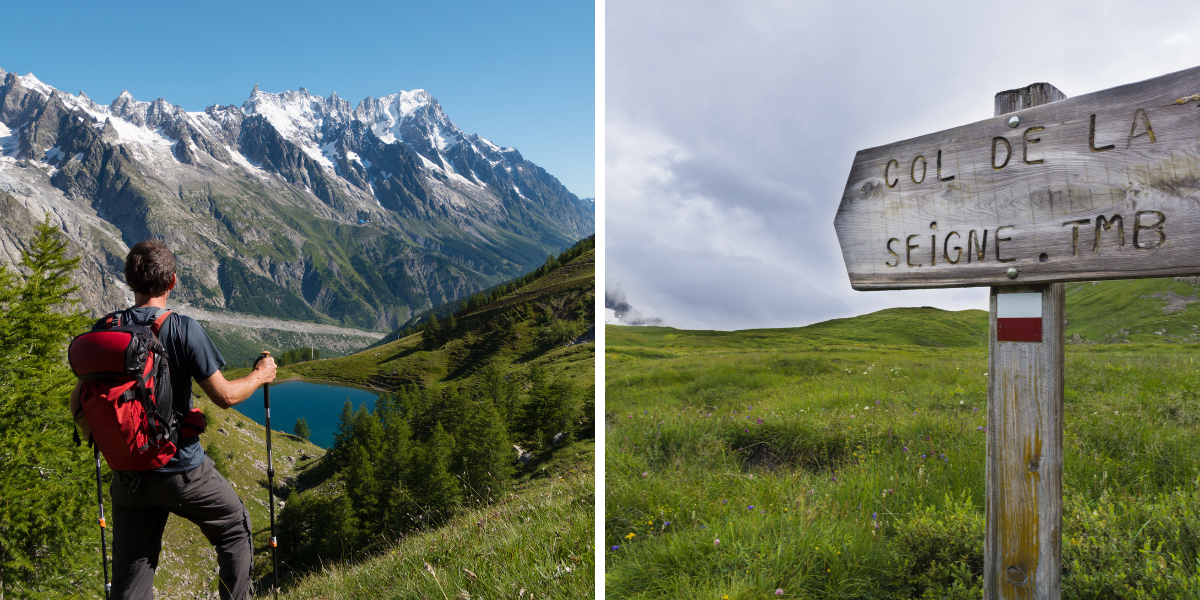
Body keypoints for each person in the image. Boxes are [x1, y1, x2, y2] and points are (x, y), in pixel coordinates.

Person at [69, 239, 277, 600]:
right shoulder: (181, 328)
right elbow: (225, 397)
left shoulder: (105, 328)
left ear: (130, 282)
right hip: (182, 470)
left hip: (128, 477)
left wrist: (103, 441)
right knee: (234, 529)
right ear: (173, 282)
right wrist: (261, 375)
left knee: (132, 571)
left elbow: (78, 398)